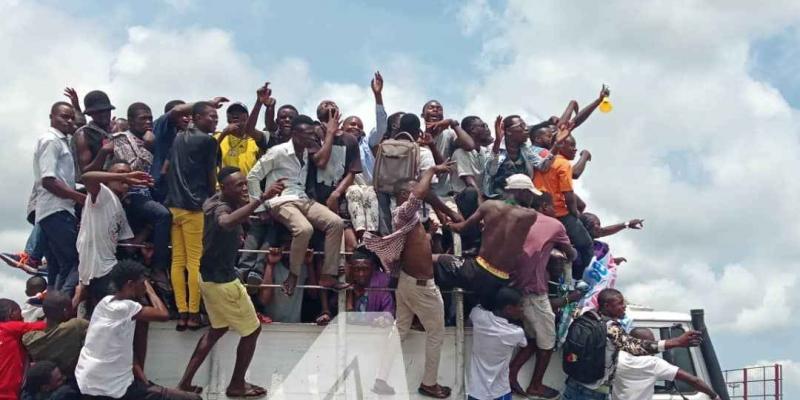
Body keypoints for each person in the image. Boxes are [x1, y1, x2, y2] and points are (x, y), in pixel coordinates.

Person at [177, 167, 284, 399]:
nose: (245, 188)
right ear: (224, 188)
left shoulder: (216, 199)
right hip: (223, 281)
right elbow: (225, 222)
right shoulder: (220, 207)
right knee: (253, 330)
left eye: (245, 184)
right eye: (239, 186)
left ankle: (184, 383)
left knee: (217, 329)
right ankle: (236, 385)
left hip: (208, 278)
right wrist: (262, 199)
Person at [364, 162, 456, 399]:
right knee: (436, 333)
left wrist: (429, 234)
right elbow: (418, 196)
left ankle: (380, 379)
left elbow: (414, 246)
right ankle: (429, 383)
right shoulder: (403, 212)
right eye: (417, 190)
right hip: (421, 287)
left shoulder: (411, 219)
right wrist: (432, 171)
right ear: (405, 194)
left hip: (407, 283)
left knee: (400, 329)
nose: (423, 193)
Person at [247, 114, 348, 297]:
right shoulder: (278, 152)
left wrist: (330, 132)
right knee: (304, 229)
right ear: (294, 133)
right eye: (307, 134)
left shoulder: (306, 153)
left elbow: (322, 159)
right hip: (280, 200)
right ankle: (293, 275)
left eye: (312, 133)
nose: (311, 137)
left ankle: (327, 275)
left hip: (301, 198)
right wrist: (260, 206)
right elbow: (252, 176)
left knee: (336, 223)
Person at [75, 260, 197, 400]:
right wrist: (151, 291)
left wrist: (143, 380)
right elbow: (163, 315)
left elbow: (125, 350)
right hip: (111, 387)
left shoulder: (104, 303)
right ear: (130, 285)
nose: (144, 287)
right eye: (142, 283)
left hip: (88, 381)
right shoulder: (126, 308)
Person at [562, 289, 703, 400]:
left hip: (574, 384)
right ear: (607, 306)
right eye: (620, 304)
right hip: (590, 393)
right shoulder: (610, 328)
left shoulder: (587, 317)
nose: (624, 307)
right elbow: (635, 347)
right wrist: (676, 342)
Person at [508, 192, 577, 399]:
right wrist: (566, 253)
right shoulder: (554, 224)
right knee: (548, 343)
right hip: (534, 290)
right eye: (553, 207)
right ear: (545, 206)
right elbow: (571, 253)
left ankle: (510, 375)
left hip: (514, 286)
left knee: (532, 339)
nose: (555, 211)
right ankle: (535, 385)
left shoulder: (518, 217)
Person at [164, 101, 225, 330]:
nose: (215, 120)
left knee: (178, 261)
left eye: (217, 118)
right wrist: (215, 198)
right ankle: (193, 312)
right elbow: (211, 175)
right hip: (195, 206)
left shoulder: (179, 137)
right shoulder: (208, 141)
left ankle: (181, 311)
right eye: (211, 116)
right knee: (194, 262)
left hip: (174, 205)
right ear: (197, 117)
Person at [443, 174, 540, 308]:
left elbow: (462, 228)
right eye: (530, 193)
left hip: (478, 270)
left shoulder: (489, 206)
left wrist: (448, 225)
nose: (532, 197)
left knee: (436, 260)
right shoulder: (530, 215)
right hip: (502, 279)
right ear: (521, 192)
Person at [75, 163, 148, 308]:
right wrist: (125, 176)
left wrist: (148, 231)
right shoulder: (102, 193)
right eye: (120, 173)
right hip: (93, 271)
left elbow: (130, 247)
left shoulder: (119, 208)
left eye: (128, 174)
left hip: (106, 269)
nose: (126, 178)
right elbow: (87, 177)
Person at [112, 103, 172, 281]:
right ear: (130, 121)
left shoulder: (153, 140)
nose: (148, 122)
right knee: (163, 215)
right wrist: (148, 146)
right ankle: (158, 268)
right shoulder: (121, 138)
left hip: (149, 192)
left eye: (150, 118)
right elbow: (129, 167)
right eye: (143, 118)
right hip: (130, 193)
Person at [35, 101, 85, 297]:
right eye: (64, 116)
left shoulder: (63, 141)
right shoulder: (51, 141)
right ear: (52, 116)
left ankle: (55, 305)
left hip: (56, 210)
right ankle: (61, 306)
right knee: (77, 260)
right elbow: (49, 181)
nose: (69, 121)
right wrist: (79, 197)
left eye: (71, 117)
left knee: (65, 264)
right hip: (57, 209)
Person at [533, 134, 594, 280]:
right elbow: (568, 194)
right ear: (561, 145)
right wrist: (574, 214)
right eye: (571, 145)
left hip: (537, 209)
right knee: (586, 245)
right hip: (558, 212)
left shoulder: (542, 157)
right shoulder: (563, 163)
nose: (574, 149)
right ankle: (579, 279)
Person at [612, 328, 720, 400]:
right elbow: (693, 380)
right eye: (651, 343)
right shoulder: (653, 363)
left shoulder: (618, 357)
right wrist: (714, 396)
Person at [467, 287, 527, 400]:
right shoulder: (515, 333)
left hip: (476, 392)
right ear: (509, 309)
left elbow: (472, 316)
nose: (523, 309)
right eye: (520, 305)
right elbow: (524, 344)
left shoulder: (478, 316)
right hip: (500, 392)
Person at [450, 115, 493, 251]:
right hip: (463, 199)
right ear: (472, 130)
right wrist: (483, 211)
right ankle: (472, 242)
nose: (486, 127)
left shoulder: (484, 152)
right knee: (471, 193)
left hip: (481, 196)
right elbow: (470, 183)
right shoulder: (460, 153)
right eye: (482, 125)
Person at [23, 291, 89, 378]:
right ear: (65, 311)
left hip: (47, 381)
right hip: (72, 378)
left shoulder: (29, 339)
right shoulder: (76, 326)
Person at [214, 84, 271, 174]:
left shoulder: (255, 139)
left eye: (240, 112)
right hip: (224, 187)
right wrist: (224, 133)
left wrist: (260, 102)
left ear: (248, 117)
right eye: (231, 112)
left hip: (248, 186)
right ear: (227, 118)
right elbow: (207, 155)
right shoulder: (218, 136)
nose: (235, 114)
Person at [0, 298, 46, 399]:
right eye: (20, 313)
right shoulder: (9, 327)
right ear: (11, 313)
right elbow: (42, 326)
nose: (23, 317)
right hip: (7, 394)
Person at [72, 90, 115, 180]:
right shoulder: (83, 135)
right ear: (90, 114)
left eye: (106, 111)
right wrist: (103, 152)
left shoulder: (116, 131)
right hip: (96, 188)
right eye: (98, 112)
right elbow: (85, 173)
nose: (103, 115)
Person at [345, 247, 395, 315]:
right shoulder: (346, 280)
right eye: (356, 270)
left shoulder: (382, 282)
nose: (361, 274)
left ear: (372, 269)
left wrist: (383, 318)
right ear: (351, 269)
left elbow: (388, 310)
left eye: (365, 269)